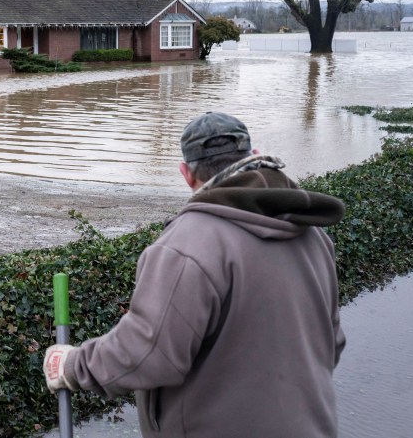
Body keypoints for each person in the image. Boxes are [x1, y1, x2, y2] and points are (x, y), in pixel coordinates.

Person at [43, 111, 346, 438]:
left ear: (186, 174)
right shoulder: (314, 237)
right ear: (255, 157)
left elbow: (149, 352)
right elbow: (333, 343)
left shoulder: (185, 246)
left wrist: (73, 366)